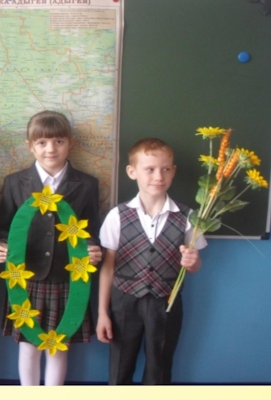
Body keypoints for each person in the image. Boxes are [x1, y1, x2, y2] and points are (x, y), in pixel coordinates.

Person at [0, 110, 102, 386]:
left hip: (68, 278)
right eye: (42, 142)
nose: (50, 149)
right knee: (29, 346)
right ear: (30, 146)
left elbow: (91, 230)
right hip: (25, 278)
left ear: (70, 143)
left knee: (58, 346)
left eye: (58, 141)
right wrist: (0, 245)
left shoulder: (87, 184)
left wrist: (92, 248)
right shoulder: (15, 182)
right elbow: (6, 227)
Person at [96, 137, 207, 385]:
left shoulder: (188, 217)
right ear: (132, 172)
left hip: (167, 302)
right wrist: (103, 312)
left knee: (160, 366)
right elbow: (108, 267)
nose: (158, 176)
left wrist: (192, 262)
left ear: (173, 171)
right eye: (150, 169)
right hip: (124, 302)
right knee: (120, 365)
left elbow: (195, 265)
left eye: (165, 169)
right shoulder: (117, 215)